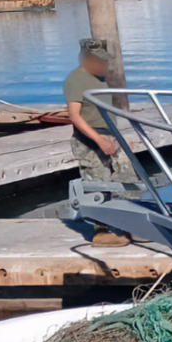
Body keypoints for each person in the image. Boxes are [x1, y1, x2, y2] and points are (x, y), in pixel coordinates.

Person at [63, 37, 133, 247]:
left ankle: (128, 222)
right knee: (97, 183)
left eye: (105, 61)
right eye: (98, 61)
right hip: (90, 140)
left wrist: (116, 136)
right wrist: (99, 140)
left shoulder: (101, 79)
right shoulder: (76, 80)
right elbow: (75, 116)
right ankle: (101, 231)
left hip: (110, 134)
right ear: (86, 59)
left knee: (127, 178)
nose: (103, 66)